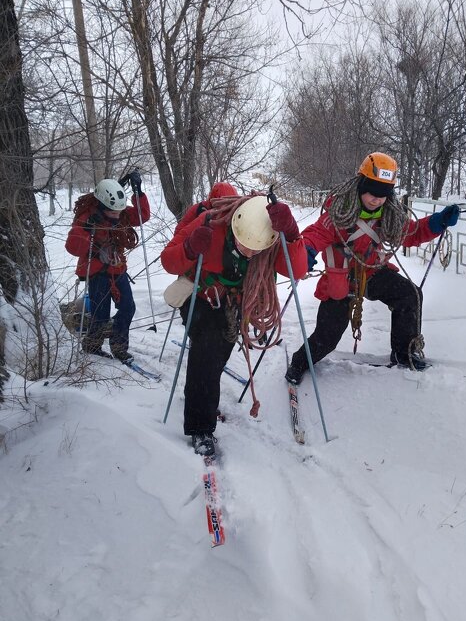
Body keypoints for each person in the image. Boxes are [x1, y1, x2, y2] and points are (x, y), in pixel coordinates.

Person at [285, 151, 461, 383]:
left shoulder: (389, 214)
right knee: (328, 336)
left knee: (409, 295)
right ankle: (300, 362)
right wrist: (305, 250)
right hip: (342, 275)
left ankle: (403, 353)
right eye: (373, 192)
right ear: (361, 185)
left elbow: (411, 233)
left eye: (384, 194)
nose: (377, 199)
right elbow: (317, 233)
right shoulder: (339, 211)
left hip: (371, 271)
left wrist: (437, 222)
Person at [161, 190, 306, 456]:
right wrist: (190, 248)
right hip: (200, 297)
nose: (249, 251)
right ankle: (200, 427)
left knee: (217, 355)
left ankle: (201, 394)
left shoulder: (272, 236)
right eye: (244, 244)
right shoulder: (210, 223)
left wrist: (293, 234)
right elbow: (169, 261)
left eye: (255, 248)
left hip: (233, 304)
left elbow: (296, 270)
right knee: (207, 348)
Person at [65, 174, 151, 362]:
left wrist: (139, 193)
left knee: (128, 307)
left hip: (117, 268)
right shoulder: (87, 216)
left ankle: (119, 346)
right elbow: (73, 247)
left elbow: (142, 215)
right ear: (103, 206)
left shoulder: (120, 212)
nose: (117, 215)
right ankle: (92, 346)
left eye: (119, 211)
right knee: (100, 314)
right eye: (113, 212)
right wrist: (87, 229)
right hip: (96, 271)